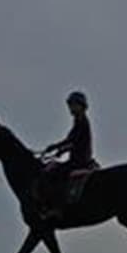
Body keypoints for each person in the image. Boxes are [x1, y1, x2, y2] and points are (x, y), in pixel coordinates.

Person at [38, 90, 95, 218]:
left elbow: (72, 141)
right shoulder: (79, 121)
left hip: (79, 161)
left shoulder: (81, 122)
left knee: (54, 173)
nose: (71, 108)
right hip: (78, 158)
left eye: (73, 105)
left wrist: (56, 147)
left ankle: (56, 207)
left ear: (81, 106)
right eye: (70, 105)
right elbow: (73, 142)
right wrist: (60, 149)